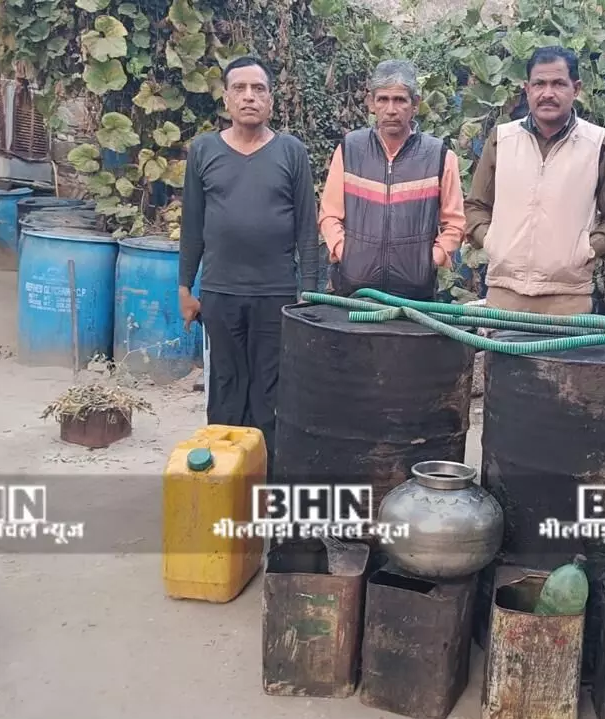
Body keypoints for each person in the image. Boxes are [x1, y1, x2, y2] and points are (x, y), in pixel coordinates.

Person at [178, 56, 322, 474]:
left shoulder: (291, 152)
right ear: (226, 98)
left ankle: (267, 485)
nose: (249, 97)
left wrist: (309, 294)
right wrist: (185, 287)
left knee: (269, 394)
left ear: (271, 100)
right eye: (239, 88)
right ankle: (224, 482)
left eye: (258, 89)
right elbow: (192, 224)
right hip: (220, 293)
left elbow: (307, 229)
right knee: (225, 388)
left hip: (276, 295)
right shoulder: (204, 151)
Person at [464, 45, 605, 315]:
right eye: (539, 84)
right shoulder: (502, 140)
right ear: (527, 89)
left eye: (558, 84)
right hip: (505, 295)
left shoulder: (599, 144)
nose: (547, 93)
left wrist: (584, 251)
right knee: (503, 347)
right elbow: (476, 206)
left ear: (576, 89)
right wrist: (495, 243)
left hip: (569, 300)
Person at [318, 59, 465, 300]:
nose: (391, 110)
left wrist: (431, 259)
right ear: (371, 103)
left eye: (400, 100)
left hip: (415, 296)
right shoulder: (350, 150)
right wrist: (346, 253)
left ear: (415, 104)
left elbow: (455, 223)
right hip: (354, 292)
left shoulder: (438, 155)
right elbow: (330, 215)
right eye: (383, 99)